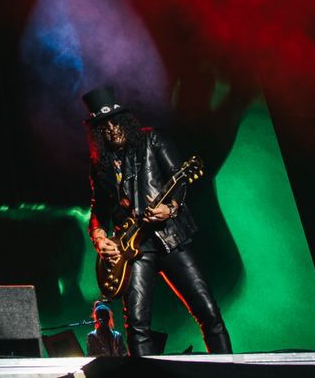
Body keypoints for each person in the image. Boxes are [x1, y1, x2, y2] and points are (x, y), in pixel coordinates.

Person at [83, 86, 230, 355]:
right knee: (137, 326)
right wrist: (99, 237)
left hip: (170, 238)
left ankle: (227, 371)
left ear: (125, 120)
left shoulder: (152, 140)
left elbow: (180, 179)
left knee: (208, 312)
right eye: (104, 127)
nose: (112, 130)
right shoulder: (100, 165)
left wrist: (170, 208)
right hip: (134, 251)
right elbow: (98, 210)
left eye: (115, 122)